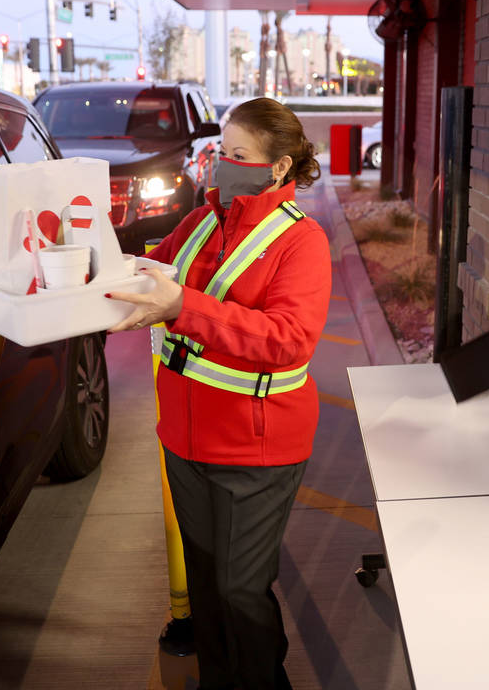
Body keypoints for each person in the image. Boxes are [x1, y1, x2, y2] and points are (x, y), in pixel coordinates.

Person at [107, 98, 330, 689]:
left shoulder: (301, 242)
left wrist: (182, 306)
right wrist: (96, 273)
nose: (220, 165)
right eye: (220, 150)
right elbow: (156, 269)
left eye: (238, 155)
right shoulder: (203, 220)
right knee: (207, 580)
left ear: (278, 168)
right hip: (184, 437)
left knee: (239, 587)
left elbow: (288, 339)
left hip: (256, 446)